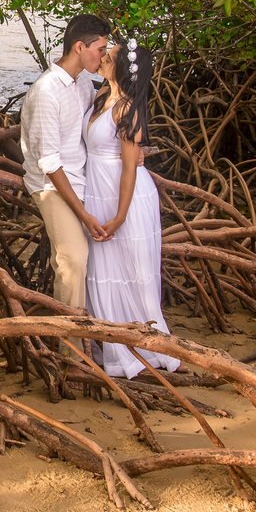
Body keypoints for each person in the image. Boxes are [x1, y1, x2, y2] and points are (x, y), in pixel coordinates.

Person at [82, 37, 181, 377]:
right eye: (105, 53)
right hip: (98, 190)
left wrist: (120, 216)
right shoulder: (99, 97)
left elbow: (128, 168)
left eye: (110, 56)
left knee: (131, 272)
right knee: (102, 271)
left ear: (122, 67)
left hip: (125, 196)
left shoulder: (128, 108)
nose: (105, 57)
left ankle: (147, 347)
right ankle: (112, 340)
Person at [20, 14, 111, 317]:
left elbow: (94, 126)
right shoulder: (47, 92)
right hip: (52, 185)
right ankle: (72, 353)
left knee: (96, 256)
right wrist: (84, 215)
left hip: (83, 176)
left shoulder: (82, 79)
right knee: (73, 259)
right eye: (100, 49)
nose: (104, 56)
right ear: (80, 47)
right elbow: (50, 164)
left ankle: (91, 335)